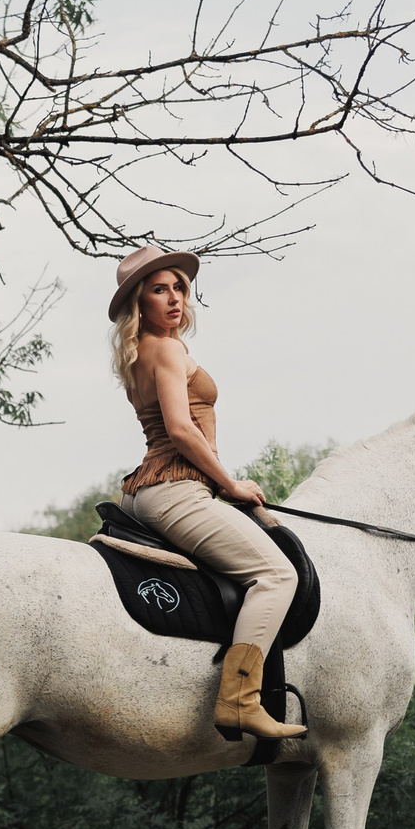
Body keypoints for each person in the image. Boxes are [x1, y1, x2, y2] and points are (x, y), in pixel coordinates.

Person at [109, 245, 305, 741]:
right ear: (139, 302)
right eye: (159, 290)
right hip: (175, 489)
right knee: (277, 575)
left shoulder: (139, 354)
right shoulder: (169, 349)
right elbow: (180, 428)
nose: (174, 298)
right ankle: (240, 701)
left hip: (148, 488)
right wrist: (229, 483)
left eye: (179, 287)